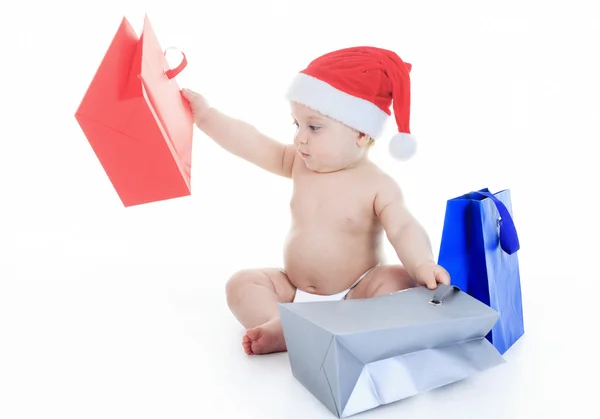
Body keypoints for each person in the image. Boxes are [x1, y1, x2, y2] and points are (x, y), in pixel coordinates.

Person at [181, 46, 450, 356]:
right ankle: (279, 324)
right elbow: (252, 143)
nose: (300, 138)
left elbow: (403, 228)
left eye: (314, 127)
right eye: (297, 125)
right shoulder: (296, 162)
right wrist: (206, 117)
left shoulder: (377, 185)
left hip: (357, 293)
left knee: (397, 280)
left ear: (361, 132)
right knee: (242, 283)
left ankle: (352, 327)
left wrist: (422, 264)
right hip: (292, 290)